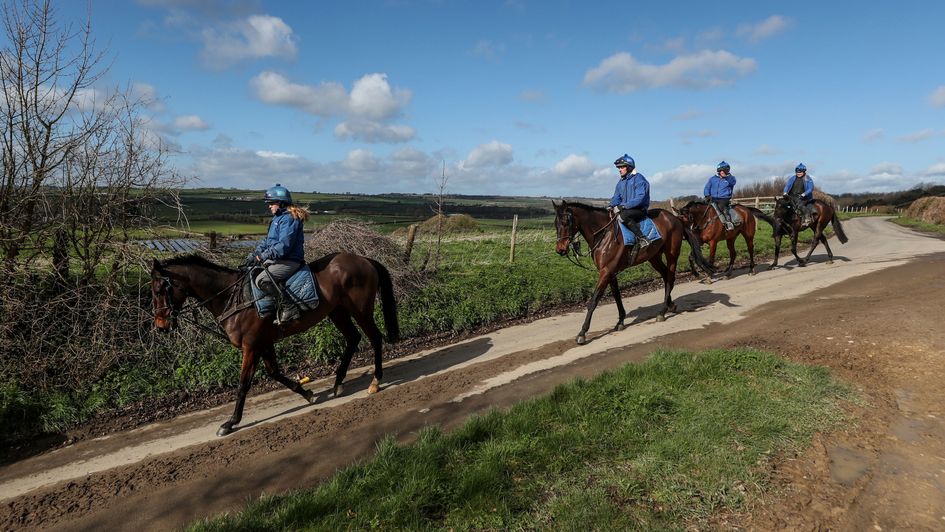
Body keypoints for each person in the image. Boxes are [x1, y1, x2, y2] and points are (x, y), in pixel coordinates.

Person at [246, 184, 310, 324]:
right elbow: (268, 241)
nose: (269, 206)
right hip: (279, 259)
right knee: (251, 273)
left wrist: (263, 256)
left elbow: (283, 246)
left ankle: (289, 308)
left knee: (262, 280)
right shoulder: (278, 218)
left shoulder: (290, 219)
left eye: (271, 203)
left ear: (281, 203)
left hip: (289, 260)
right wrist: (256, 253)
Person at [608, 153, 651, 264]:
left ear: (629, 167)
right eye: (619, 168)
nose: (619, 170)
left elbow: (640, 198)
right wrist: (611, 205)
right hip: (627, 209)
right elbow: (616, 197)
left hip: (639, 209)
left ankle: (642, 238)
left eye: (622, 167)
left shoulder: (639, 179)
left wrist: (623, 206)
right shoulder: (621, 182)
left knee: (623, 216)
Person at [704, 161, 736, 230]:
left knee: (721, 208)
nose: (722, 172)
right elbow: (707, 187)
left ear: (727, 171)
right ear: (719, 171)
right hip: (712, 198)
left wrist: (727, 177)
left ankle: (728, 222)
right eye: (721, 171)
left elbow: (733, 183)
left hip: (724, 199)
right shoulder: (712, 179)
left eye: (724, 171)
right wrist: (707, 195)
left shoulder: (731, 178)